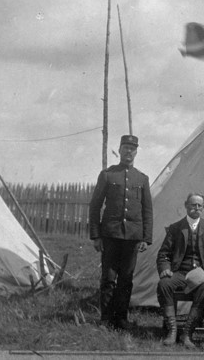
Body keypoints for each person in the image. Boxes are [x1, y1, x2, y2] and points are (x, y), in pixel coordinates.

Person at [89, 135, 153, 329]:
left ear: (136, 152)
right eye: (125, 148)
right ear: (120, 149)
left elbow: (147, 210)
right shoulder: (108, 175)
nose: (129, 152)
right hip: (110, 235)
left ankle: (121, 319)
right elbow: (95, 206)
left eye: (132, 149)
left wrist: (146, 238)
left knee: (126, 279)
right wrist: (96, 235)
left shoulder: (142, 179)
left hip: (132, 238)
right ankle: (106, 319)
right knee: (108, 278)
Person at [156, 192, 204, 348]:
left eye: (200, 205)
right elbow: (164, 254)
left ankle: (187, 333)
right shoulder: (175, 228)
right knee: (164, 284)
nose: (196, 208)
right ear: (186, 205)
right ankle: (172, 331)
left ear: (203, 208)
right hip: (180, 273)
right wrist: (165, 269)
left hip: (203, 274)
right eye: (193, 205)